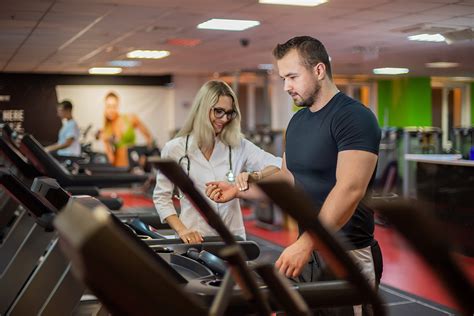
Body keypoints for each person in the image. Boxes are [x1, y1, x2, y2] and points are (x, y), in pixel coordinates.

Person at [206, 36, 382, 315]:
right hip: (308, 251)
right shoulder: (298, 122)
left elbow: (349, 189)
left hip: (347, 254)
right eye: (283, 78)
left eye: (292, 77)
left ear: (319, 70)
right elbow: (287, 180)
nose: (286, 86)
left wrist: (306, 242)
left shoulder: (354, 117)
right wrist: (237, 189)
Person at [153, 80, 281, 243]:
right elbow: (162, 197)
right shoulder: (174, 148)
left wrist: (255, 175)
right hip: (194, 238)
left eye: (229, 113)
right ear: (202, 109)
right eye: (218, 111)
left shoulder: (239, 146)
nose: (224, 118)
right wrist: (182, 230)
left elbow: (279, 164)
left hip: (233, 239)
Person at [101, 91, 154, 167]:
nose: (111, 110)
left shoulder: (130, 118)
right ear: (105, 107)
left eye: (114, 106)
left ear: (118, 105)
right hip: (118, 167)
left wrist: (145, 155)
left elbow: (149, 137)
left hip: (134, 167)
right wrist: (106, 142)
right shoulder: (107, 129)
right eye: (108, 106)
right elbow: (111, 159)